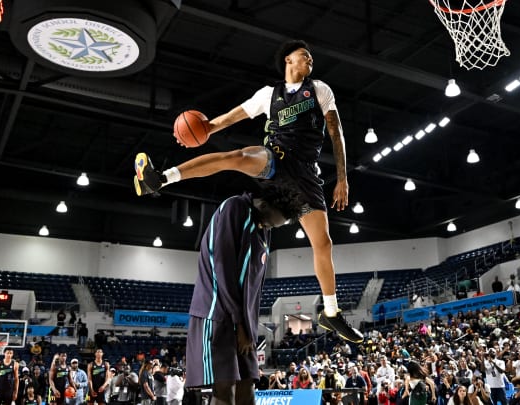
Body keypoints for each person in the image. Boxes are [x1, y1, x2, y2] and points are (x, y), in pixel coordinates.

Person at [133, 39, 362, 344]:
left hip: (306, 174)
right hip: (275, 160)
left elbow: (336, 132)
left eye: (310, 57)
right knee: (236, 158)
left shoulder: (319, 89)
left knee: (323, 243)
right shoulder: (268, 95)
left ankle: (331, 313)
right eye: (303, 56)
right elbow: (226, 119)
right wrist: (199, 131)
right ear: (287, 61)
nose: (309, 60)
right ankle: (161, 178)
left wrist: (342, 178)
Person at [184, 183, 304, 405]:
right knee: (224, 388)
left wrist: (248, 327)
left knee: (248, 383)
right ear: (263, 205)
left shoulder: (263, 229)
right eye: (268, 221)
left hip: (240, 319)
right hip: (216, 312)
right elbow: (223, 269)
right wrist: (240, 324)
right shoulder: (234, 207)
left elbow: (252, 287)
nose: (268, 226)